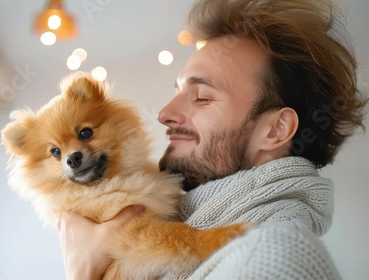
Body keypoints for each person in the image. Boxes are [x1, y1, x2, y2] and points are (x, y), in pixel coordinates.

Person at [57, 0, 368, 279]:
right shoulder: (185, 243)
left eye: (202, 97)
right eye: (177, 91)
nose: (165, 113)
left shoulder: (277, 259)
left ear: (275, 130)